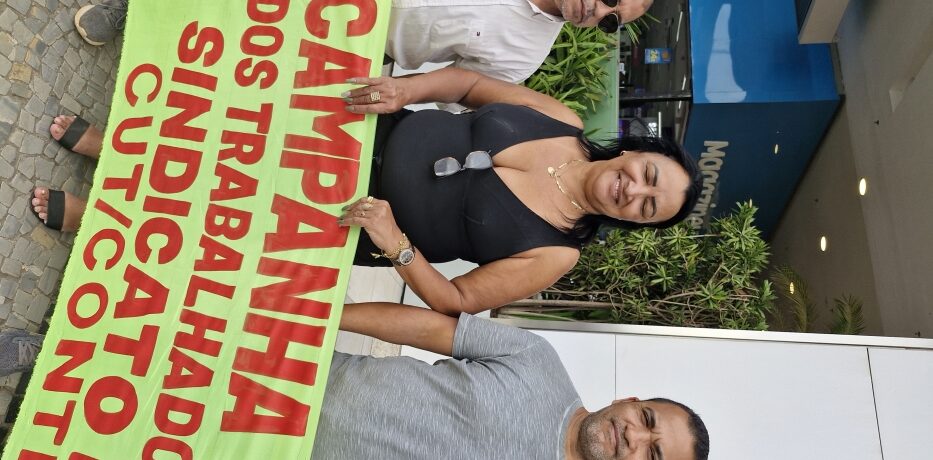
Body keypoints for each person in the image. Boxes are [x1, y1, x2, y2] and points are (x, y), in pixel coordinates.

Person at [32, 67, 701, 315]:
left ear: (636, 223)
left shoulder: (558, 253)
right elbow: (471, 85)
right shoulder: (559, 119)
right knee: (229, 146)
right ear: (638, 152)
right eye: (649, 176)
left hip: (353, 221)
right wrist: (408, 90)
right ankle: (112, 145)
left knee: (226, 221)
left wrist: (396, 244)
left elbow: (459, 300)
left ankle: (99, 217)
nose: (634, 192)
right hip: (358, 130)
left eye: (649, 208)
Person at [316, 301, 711, 459]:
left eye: (653, 455)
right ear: (628, 400)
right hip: (302, 379)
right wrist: (316, 313)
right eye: (645, 419)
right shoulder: (537, 359)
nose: (633, 436)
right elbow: (426, 329)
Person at [72, 0, 655, 84]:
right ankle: (133, 11)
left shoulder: (525, 57)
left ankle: (160, 72)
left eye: (613, 20)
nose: (599, 11)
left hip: (352, 44)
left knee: (239, 59)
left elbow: (446, 95)